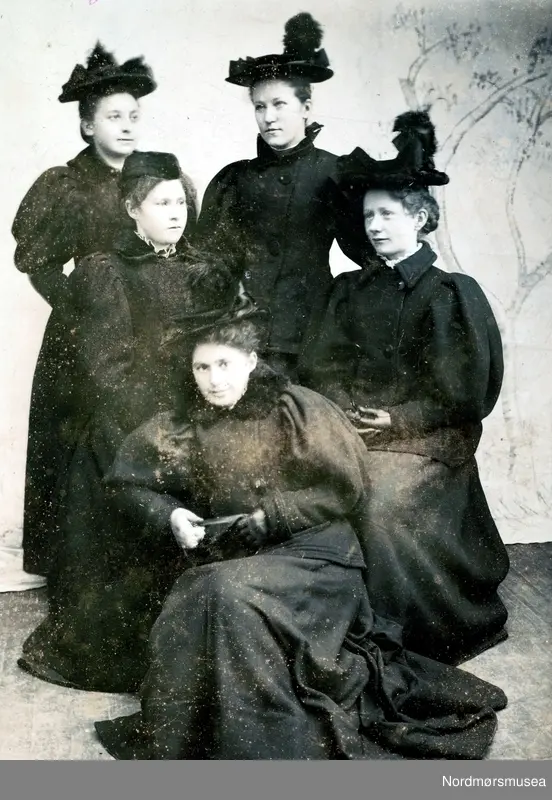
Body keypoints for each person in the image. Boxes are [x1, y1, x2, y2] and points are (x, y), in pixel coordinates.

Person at [92, 296, 507, 760]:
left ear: (251, 361)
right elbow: (126, 485)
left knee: (224, 593)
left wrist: (272, 516)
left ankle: (261, 747)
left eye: (225, 364)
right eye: (202, 368)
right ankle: (199, 731)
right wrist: (169, 515)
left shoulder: (295, 409)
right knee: (205, 591)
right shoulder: (182, 424)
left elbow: (345, 488)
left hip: (315, 559)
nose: (214, 380)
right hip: (240, 559)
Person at [301, 111, 510, 665]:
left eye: (388, 214)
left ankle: (405, 636)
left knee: (379, 504)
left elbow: (465, 393)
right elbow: (321, 366)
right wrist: (346, 411)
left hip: (425, 440)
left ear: (419, 218)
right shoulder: (348, 290)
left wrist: (397, 420)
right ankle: (335, 630)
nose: (374, 225)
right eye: (368, 215)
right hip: (352, 430)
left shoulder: (450, 292)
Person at [17, 152, 215, 693]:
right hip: (127, 431)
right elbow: (109, 372)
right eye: (161, 203)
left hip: (188, 420)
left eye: (180, 202)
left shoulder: (198, 267)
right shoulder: (107, 271)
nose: (175, 213)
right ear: (132, 209)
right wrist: (167, 427)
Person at [12, 42, 157, 577]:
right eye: (113, 117)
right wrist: (81, 308)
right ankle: (65, 559)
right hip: (81, 334)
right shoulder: (66, 185)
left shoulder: (153, 178)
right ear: (87, 126)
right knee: (73, 436)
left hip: (144, 329)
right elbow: (37, 261)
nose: (126, 126)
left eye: (133, 116)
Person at [196, 13, 371, 381]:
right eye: (260, 107)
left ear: (306, 108)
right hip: (242, 336)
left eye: (279, 104)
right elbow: (208, 262)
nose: (268, 117)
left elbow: (367, 255)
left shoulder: (334, 173)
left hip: (310, 336)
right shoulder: (234, 180)